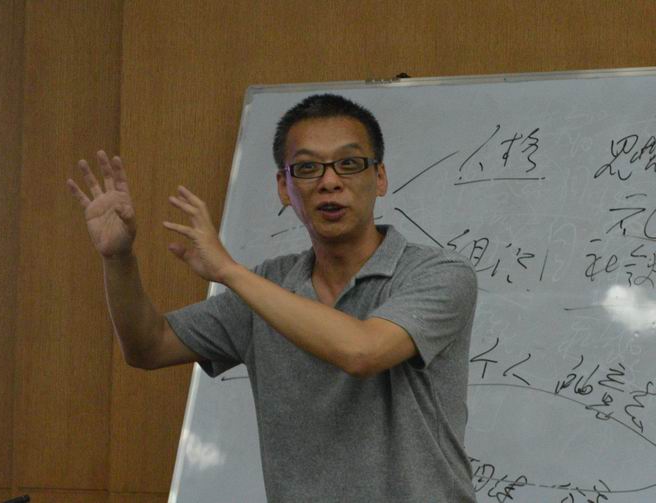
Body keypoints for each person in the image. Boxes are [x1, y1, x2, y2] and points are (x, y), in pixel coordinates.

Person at [67, 94, 478, 502]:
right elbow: (149, 346)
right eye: (307, 168)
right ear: (284, 187)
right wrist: (118, 258)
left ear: (380, 177)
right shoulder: (269, 285)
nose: (330, 182)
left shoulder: (439, 273)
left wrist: (229, 271)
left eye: (349, 163)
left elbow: (363, 352)